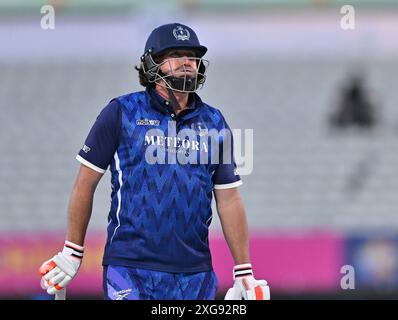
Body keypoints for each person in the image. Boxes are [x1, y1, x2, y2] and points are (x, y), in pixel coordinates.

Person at [38, 23, 270, 300]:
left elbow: (229, 199)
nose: (187, 61)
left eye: (193, 56)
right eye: (176, 54)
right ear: (153, 64)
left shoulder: (215, 122)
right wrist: (72, 251)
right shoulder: (120, 112)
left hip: (196, 272)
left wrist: (243, 270)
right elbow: (85, 184)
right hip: (129, 267)